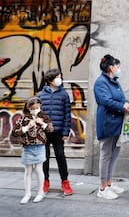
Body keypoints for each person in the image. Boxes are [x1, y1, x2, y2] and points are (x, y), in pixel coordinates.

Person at [94, 54, 129, 200]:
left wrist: (128, 106)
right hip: (107, 123)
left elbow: (121, 99)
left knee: (114, 153)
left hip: (117, 123)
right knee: (106, 155)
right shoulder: (101, 82)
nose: (119, 69)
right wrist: (122, 107)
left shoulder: (114, 81)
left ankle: (109, 183)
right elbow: (106, 101)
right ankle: (102, 187)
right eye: (117, 66)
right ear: (111, 67)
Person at [12, 97, 54, 204]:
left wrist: (42, 124)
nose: (36, 110)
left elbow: (51, 129)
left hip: (40, 147)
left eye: (38, 107)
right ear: (29, 108)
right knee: (28, 171)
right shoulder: (24, 119)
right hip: (27, 147)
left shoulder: (44, 117)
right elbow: (15, 132)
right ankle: (27, 194)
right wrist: (26, 127)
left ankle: (40, 193)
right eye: (33, 108)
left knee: (39, 170)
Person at [38, 68, 73, 196]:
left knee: (60, 156)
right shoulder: (41, 95)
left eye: (60, 77)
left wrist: (65, 132)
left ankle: (65, 182)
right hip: (44, 132)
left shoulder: (64, 95)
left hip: (58, 132)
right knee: (44, 157)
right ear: (50, 80)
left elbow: (67, 115)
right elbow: (37, 114)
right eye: (57, 77)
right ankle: (45, 181)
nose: (60, 79)